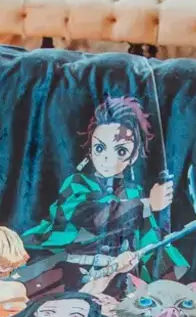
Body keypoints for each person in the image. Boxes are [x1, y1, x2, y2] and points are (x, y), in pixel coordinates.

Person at [21, 96, 187, 292]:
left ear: (133, 155)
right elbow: (93, 216)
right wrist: (148, 204)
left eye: (121, 151)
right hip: (69, 276)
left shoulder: (133, 192)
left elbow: (149, 240)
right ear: (91, 150)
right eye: (100, 148)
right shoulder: (76, 184)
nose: (108, 158)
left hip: (118, 281)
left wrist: (169, 282)